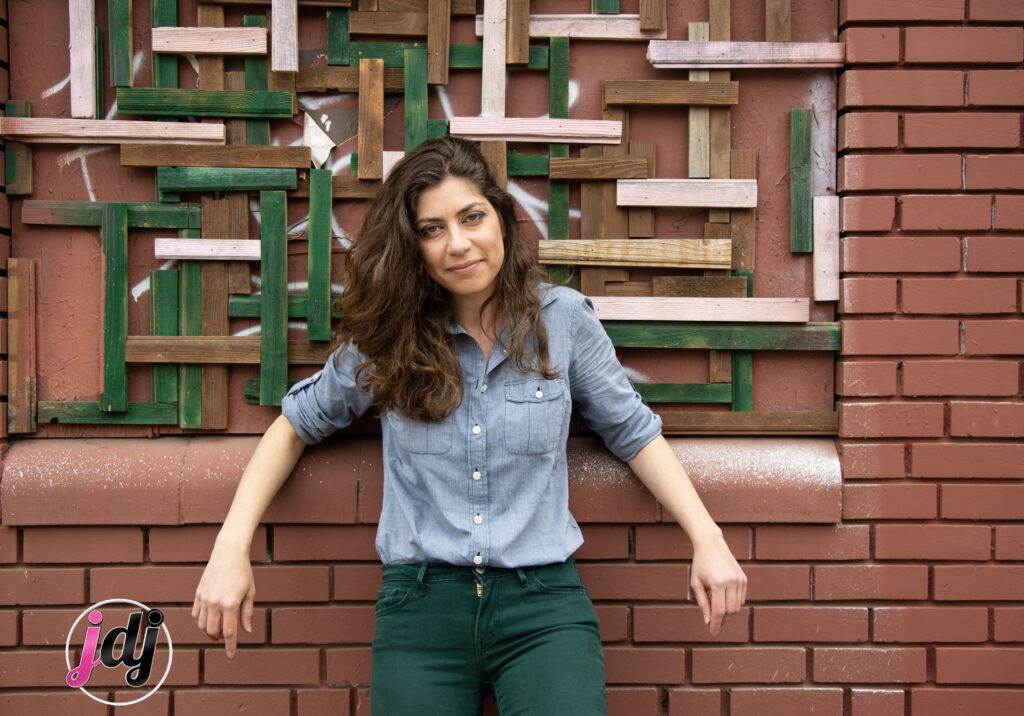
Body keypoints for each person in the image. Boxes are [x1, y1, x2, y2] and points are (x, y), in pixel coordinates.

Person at [193, 137, 746, 715]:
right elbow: (296, 424)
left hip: (543, 606)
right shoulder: (388, 338)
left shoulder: (562, 321)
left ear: (502, 218)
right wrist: (231, 549)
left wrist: (707, 539)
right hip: (421, 607)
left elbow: (633, 432)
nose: (458, 244)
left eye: (471, 216)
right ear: (413, 246)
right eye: (432, 229)